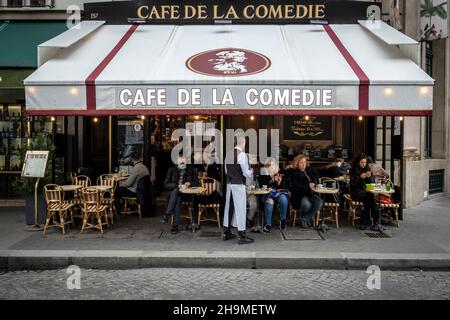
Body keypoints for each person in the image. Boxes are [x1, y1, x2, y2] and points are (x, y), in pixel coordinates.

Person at [223, 134, 254, 244]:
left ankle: (226, 232)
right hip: (238, 184)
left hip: (229, 184)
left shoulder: (228, 154)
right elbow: (246, 173)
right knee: (240, 209)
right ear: (243, 142)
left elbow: (226, 171)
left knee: (229, 208)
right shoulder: (242, 155)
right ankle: (242, 235)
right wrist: (252, 171)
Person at [162, 155, 199, 234]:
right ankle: (174, 226)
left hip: (187, 195)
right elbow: (165, 184)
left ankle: (167, 214)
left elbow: (197, 183)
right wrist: (177, 185)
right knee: (177, 196)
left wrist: (190, 183)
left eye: (184, 161)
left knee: (176, 196)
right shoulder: (171, 170)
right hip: (175, 196)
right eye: (180, 161)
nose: (182, 162)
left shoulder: (191, 170)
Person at [350, 154, 383, 231]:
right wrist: (360, 178)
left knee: (369, 200)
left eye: (365, 162)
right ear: (358, 162)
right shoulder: (353, 170)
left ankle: (364, 223)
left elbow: (372, 184)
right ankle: (377, 222)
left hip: (366, 193)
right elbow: (352, 184)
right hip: (356, 193)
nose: (363, 164)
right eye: (362, 162)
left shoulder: (367, 169)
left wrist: (370, 177)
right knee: (371, 199)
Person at [291, 155, 323, 228]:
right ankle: (306, 219)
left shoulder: (308, 171)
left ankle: (305, 218)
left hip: (310, 194)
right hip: (299, 196)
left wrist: (314, 183)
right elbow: (296, 187)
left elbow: (315, 179)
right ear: (297, 163)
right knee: (307, 204)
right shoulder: (294, 173)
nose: (303, 164)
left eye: (304, 162)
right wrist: (308, 186)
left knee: (319, 202)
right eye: (301, 162)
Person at [258, 158, 290, 232]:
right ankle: (268, 224)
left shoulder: (279, 173)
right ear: (266, 166)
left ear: (275, 165)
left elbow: (284, 187)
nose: (271, 167)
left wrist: (279, 182)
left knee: (283, 199)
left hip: (279, 194)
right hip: (266, 195)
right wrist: (272, 180)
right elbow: (262, 186)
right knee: (270, 201)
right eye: (269, 165)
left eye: (273, 164)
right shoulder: (263, 175)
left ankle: (283, 221)